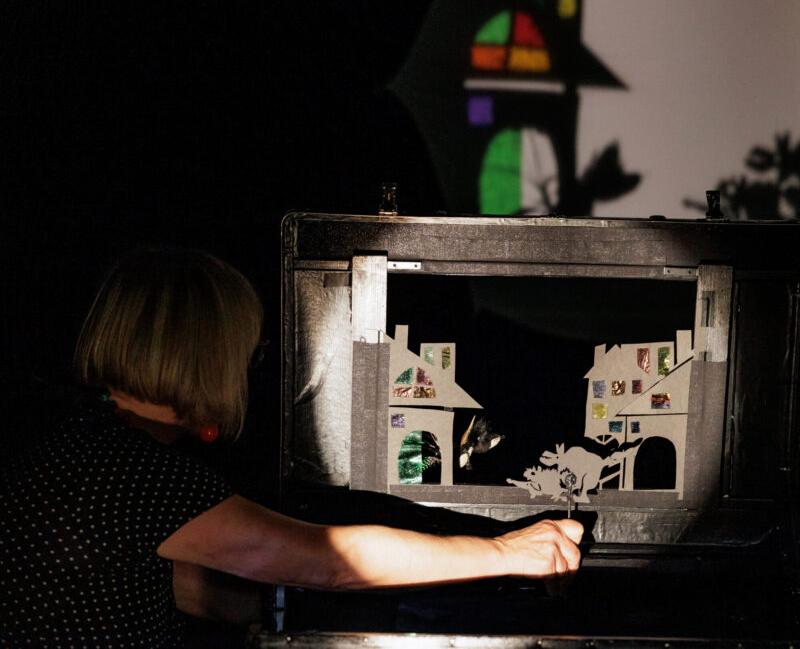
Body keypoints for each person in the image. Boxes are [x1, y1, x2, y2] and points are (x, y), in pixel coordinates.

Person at [0, 248, 583, 647]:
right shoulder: (136, 472)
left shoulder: (79, 440)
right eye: (246, 353)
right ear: (207, 357)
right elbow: (329, 561)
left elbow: (168, 587)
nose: (246, 372)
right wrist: (506, 552)